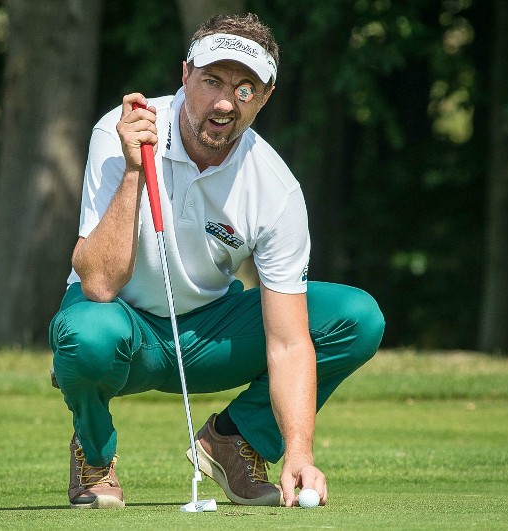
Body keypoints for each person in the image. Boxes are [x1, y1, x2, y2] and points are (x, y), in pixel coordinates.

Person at [49, 12, 385, 509]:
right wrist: (133, 173)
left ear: (265, 98)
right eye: (211, 81)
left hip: (208, 336)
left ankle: (236, 440)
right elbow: (97, 282)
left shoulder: (276, 189)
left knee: (356, 319)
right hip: (122, 324)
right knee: (88, 335)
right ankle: (95, 456)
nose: (225, 102)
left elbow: (290, 343)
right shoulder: (120, 133)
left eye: (245, 88)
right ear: (185, 76)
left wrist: (299, 451)